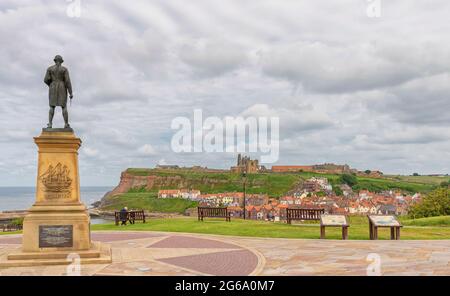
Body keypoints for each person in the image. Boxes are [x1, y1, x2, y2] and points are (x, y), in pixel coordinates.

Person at [44, 55, 73, 129]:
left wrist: (51, 85)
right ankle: (66, 124)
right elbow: (67, 81)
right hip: (62, 87)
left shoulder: (50, 69)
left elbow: (46, 80)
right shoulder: (64, 69)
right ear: (61, 61)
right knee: (64, 107)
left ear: (55, 60)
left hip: (52, 87)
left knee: (51, 107)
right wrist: (70, 92)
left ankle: (50, 124)